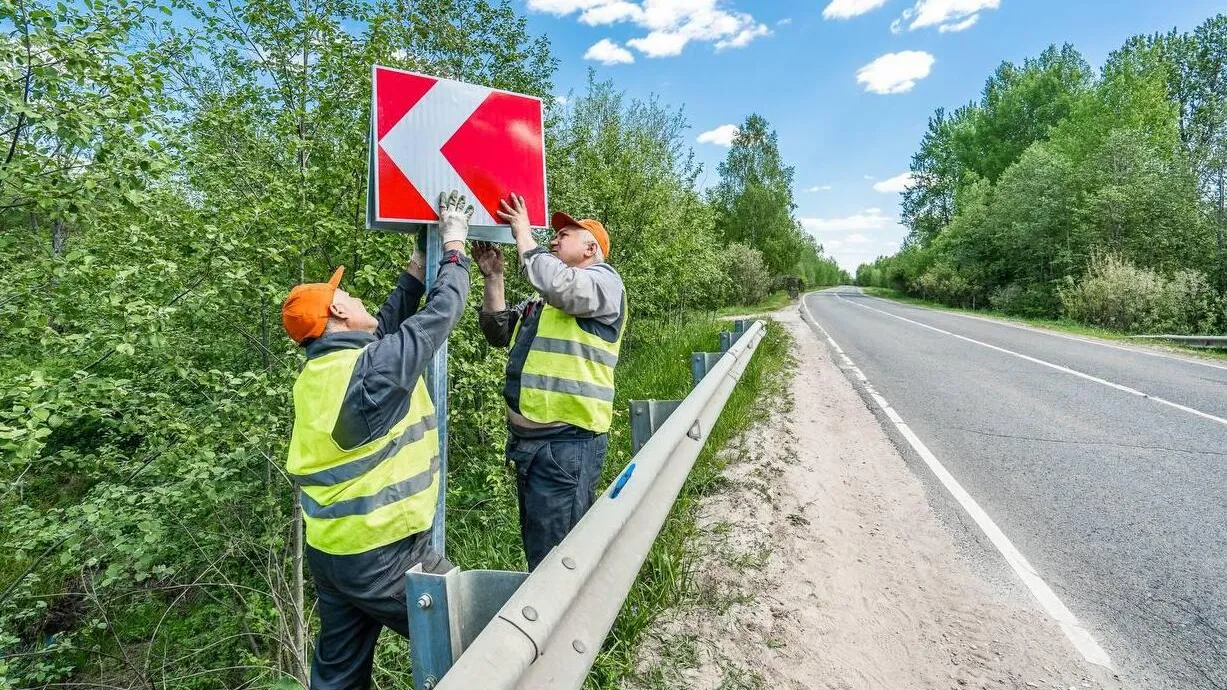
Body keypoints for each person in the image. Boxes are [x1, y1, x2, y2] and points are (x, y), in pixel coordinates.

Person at [281, 191, 473, 690]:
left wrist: (418, 266)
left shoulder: (325, 372)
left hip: (331, 554)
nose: (358, 298)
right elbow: (442, 312)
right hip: (385, 555)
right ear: (339, 310)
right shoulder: (372, 370)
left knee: (338, 678)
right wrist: (454, 246)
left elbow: (385, 330)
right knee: (476, 639)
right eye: (348, 295)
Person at [473, 193, 627, 571]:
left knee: (557, 564)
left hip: (567, 446)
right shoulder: (546, 301)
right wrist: (494, 277)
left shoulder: (605, 283)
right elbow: (497, 331)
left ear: (590, 248)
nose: (554, 240)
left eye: (563, 235)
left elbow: (559, 284)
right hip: (532, 448)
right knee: (541, 553)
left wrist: (523, 233)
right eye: (554, 235)